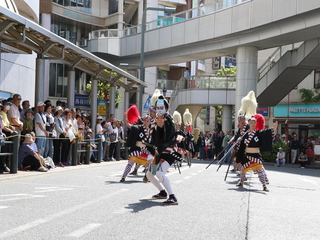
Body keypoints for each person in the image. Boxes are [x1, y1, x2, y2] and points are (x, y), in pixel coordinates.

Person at [146, 94, 182, 205]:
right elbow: (154, 139)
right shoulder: (156, 120)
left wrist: (160, 127)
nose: (159, 110)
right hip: (160, 153)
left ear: (167, 109)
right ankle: (162, 192)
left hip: (168, 153)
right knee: (149, 174)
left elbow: (165, 135)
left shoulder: (167, 119)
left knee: (160, 173)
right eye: (157, 108)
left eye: (162, 108)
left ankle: (173, 196)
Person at [236, 116, 278, 191]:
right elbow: (241, 145)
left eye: (254, 122)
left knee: (260, 170)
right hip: (247, 155)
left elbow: (266, 132)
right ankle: (241, 181)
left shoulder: (258, 133)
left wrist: (273, 129)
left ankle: (264, 185)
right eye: (251, 122)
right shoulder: (245, 134)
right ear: (248, 123)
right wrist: (239, 140)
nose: (253, 124)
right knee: (242, 170)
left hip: (255, 155)